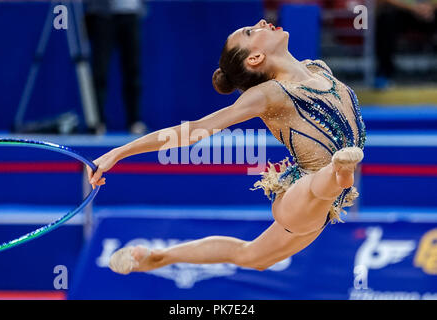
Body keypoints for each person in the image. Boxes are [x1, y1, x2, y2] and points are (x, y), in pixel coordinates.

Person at [87, 19, 366, 274]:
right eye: (249, 32)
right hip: (301, 195)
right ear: (255, 58)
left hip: (320, 208)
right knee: (320, 184)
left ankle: (158, 257)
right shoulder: (270, 93)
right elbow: (195, 130)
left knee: (254, 257)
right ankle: (337, 172)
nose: (260, 23)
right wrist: (119, 152)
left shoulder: (319, 68)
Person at [84, 0, 147, 134]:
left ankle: (134, 120)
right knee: (99, 72)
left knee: (133, 70)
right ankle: (97, 121)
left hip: (130, 12)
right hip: (101, 15)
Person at [375, 0, 437, 89]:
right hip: (405, 11)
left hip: (431, 11)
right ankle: (384, 73)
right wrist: (413, 8)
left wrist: (431, 7)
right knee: (385, 19)